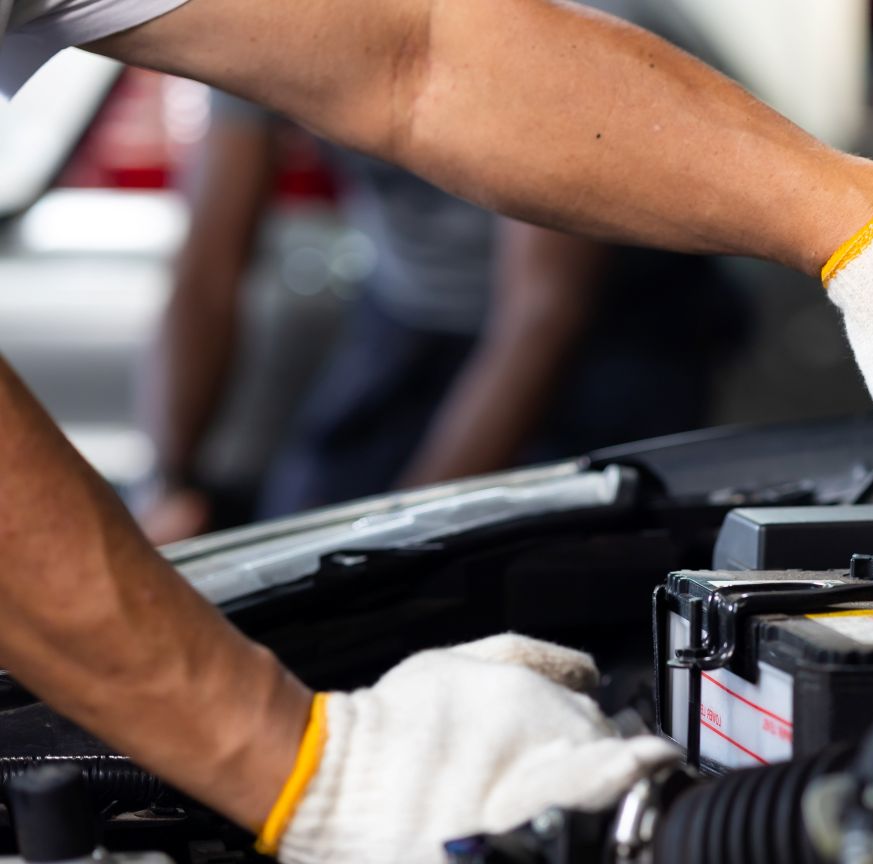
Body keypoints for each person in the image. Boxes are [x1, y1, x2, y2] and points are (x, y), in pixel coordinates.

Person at [0, 0, 873, 864]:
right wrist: (293, 762)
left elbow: (412, 52)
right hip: (421, 316)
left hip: (595, 311)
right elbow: (214, 246)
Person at [139, 88, 744, 543]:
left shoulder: (559, 31)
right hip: (408, 310)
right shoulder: (259, 24)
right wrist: (170, 484)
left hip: (613, 323)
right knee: (300, 540)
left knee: (547, 561)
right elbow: (209, 267)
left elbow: (544, 311)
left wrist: (407, 542)